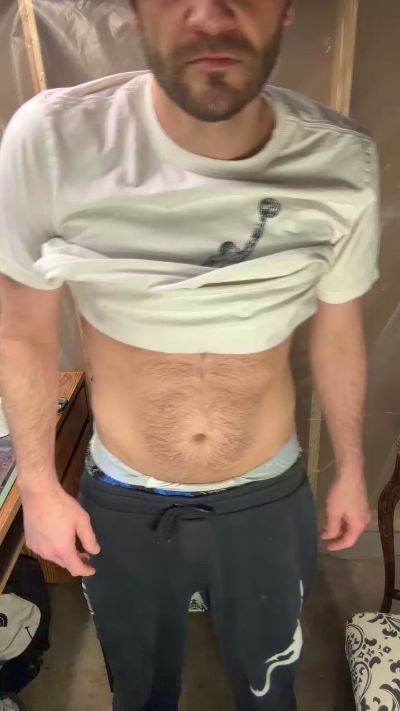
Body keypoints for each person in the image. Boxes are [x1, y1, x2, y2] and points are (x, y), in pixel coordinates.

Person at [0, 0, 380, 709]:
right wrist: (41, 490)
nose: (211, 12)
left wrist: (352, 469)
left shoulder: (342, 161)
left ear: (286, 8)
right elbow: (21, 326)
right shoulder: (52, 142)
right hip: (123, 498)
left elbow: (338, 328)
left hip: (268, 495)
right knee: (141, 691)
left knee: (269, 686)